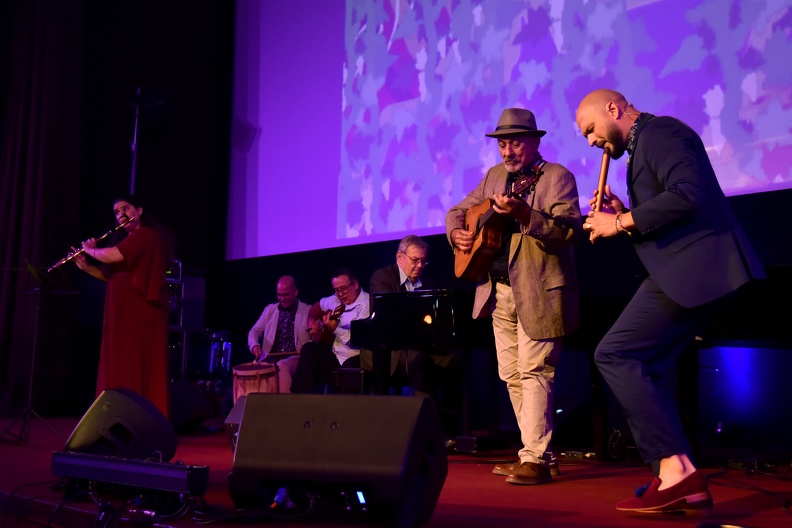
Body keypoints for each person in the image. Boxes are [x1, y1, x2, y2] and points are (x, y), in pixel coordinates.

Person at [575, 89, 766, 513]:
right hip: (692, 270)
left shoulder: (661, 132)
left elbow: (688, 192)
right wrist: (625, 211)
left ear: (614, 109)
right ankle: (680, 477)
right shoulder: (645, 144)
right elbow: (671, 207)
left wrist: (621, 221)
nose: (590, 142)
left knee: (615, 353)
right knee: (650, 365)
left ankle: (675, 471)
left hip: (697, 268)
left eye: (590, 130)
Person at [446, 108, 583, 485]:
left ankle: (534, 458)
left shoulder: (557, 177)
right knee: (511, 374)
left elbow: (569, 233)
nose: (508, 151)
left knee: (535, 371)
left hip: (540, 291)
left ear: (535, 141)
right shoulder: (494, 177)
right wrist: (456, 232)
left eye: (516, 142)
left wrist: (526, 215)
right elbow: (458, 211)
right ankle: (540, 453)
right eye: (502, 143)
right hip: (497, 292)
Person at [73, 195, 172, 418]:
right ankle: (115, 416)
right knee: (118, 364)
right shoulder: (127, 240)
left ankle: (137, 418)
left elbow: (111, 256)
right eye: (117, 212)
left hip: (138, 313)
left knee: (132, 363)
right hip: (121, 313)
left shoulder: (146, 235)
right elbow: (113, 277)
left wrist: (90, 249)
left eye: (125, 208)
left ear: (139, 210)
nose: (121, 215)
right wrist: (87, 267)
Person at [366, 235, 435, 396]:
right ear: (399, 257)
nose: (420, 266)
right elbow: (387, 318)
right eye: (415, 260)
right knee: (420, 361)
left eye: (423, 261)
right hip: (391, 350)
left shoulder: (428, 283)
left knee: (457, 361)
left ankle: (458, 418)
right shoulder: (382, 277)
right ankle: (425, 417)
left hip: (422, 346)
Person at [290, 268, 370, 393]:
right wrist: (311, 320)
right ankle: (299, 401)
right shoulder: (335, 299)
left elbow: (359, 340)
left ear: (355, 284)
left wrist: (335, 329)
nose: (340, 294)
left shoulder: (366, 304)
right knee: (309, 349)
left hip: (355, 356)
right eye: (336, 290)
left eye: (343, 289)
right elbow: (318, 306)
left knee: (351, 369)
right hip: (335, 356)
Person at [247, 275, 311, 393]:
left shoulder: (308, 311)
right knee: (250, 372)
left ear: (295, 292)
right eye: (279, 295)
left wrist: (307, 347)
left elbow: (317, 337)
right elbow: (255, 330)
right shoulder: (269, 310)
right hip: (270, 358)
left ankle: (285, 409)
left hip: (295, 357)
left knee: (282, 366)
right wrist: (254, 345)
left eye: (286, 295)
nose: (282, 298)